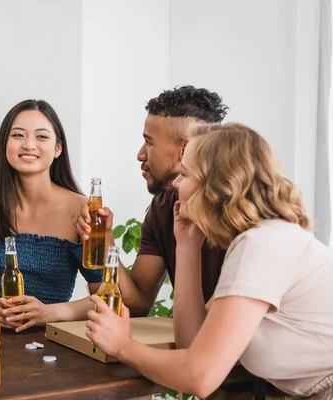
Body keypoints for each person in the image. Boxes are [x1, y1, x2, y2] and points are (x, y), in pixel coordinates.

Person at [86, 122, 333, 399]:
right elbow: (192, 343)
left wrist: (123, 347)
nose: (177, 184)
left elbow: (200, 377)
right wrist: (187, 248)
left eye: (185, 174)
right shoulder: (255, 240)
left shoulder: (263, 244)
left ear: (218, 185)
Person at [0, 99, 103, 332]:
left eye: (41, 136)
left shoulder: (81, 211)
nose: (29, 144)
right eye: (18, 135)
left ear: (58, 148)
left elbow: (104, 297)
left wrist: (50, 312)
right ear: (5, 143)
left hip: (55, 340)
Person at [73, 86, 230, 318]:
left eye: (149, 142)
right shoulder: (164, 205)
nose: (140, 154)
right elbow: (137, 303)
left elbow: (211, 339)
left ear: (185, 148)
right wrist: (105, 237)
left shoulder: (240, 214)